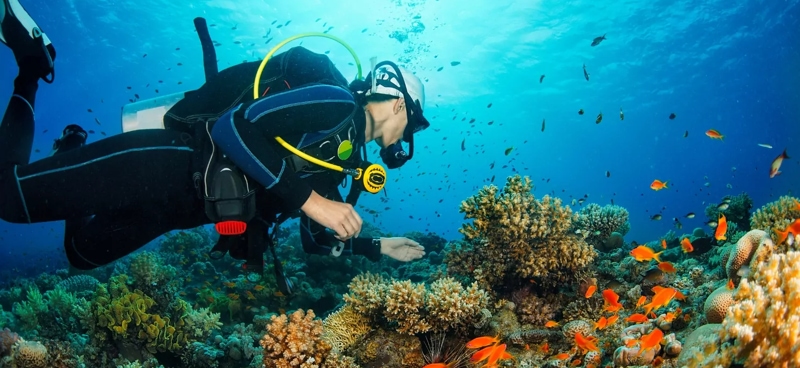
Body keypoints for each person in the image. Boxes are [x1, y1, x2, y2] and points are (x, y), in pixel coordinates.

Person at [0, 0, 427, 284]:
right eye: (412, 123)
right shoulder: (336, 104)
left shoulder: (344, 163)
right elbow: (234, 128)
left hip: (175, 212)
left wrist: (377, 246)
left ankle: (70, 150)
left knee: (81, 253)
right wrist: (314, 202)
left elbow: (314, 241)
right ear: (398, 107)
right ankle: (33, 66)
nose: (407, 137)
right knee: (6, 197)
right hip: (169, 165)